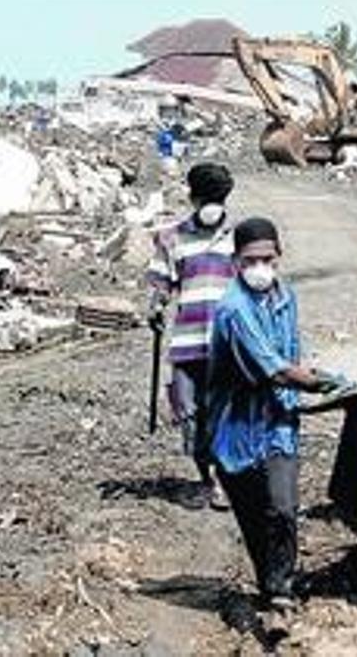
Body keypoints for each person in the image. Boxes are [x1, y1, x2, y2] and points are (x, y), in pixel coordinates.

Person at [208, 217, 349, 610]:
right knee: (255, 515)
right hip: (237, 425)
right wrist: (326, 384)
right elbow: (277, 368)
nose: (260, 268)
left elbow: (291, 353)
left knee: (283, 507)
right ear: (236, 261)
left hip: (278, 422)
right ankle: (270, 585)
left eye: (267, 259)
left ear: (279, 257)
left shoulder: (285, 296)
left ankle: (280, 587)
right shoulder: (234, 310)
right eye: (250, 260)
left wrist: (315, 382)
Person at [145, 162, 236, 510]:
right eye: (206, 197)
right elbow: (159, 281)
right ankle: (207, 477)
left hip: (229, 345)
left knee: (224, 412)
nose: (211, 204)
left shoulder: (239, 237)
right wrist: (155, 306)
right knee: (190, 412)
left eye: (218, 197)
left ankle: (226, 480)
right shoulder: (173, 237)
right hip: (188, 342)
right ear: (193, 197)